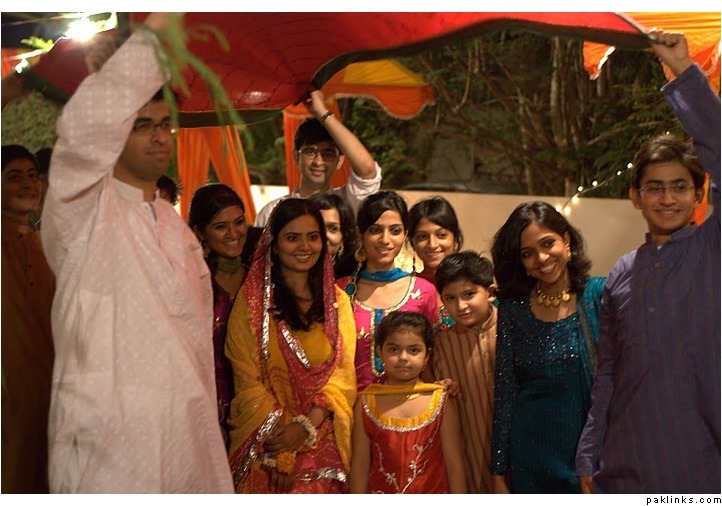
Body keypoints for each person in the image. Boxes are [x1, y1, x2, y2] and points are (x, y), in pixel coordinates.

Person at [39, 13, 233, 492]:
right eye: (142, 125)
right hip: (110, 440)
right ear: (114, 135)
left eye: (165, 124)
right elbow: (83, 138)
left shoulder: (176, 228)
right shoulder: (83, 209)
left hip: (185, 435)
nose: (160, 137)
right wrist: (147, 43)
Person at [575, 30, 720, 494]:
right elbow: (609, 371)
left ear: (699, 195)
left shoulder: (711, 248)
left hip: (702, 460)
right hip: (624, 461)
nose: (667, 198)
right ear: (635, 197)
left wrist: (683, 71)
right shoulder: (621, 273)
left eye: (679, 187)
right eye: (654, 188)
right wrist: (589, 451)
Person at [225, 198, 357, 493]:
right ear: (273, 245)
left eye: (313, 237)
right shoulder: (251, 305)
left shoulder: (338, 303)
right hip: (266, 443)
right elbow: (247, 382)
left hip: (325, 442)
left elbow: (343, 378)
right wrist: (281, 445)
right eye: (292, 238)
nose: (304, 246)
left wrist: (305, 427)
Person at [489, 201, 604, 493]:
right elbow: (506, 390)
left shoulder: (596, 295)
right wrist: (498, 469)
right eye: (527, 253)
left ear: (566, 241)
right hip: (529, 459)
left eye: (548, 243)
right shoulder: (513, 309)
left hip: (587, 455)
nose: (541, 258)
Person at [350, 311, 466, 494]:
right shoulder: (366, 402)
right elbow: (359, 467)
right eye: (393, 349)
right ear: (380, 352)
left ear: (427, 356)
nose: (403, 357)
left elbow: (454, 464)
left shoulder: (441, 400)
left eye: (413, 350)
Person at [337, 191, 440, 391]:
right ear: (360, 234)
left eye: (395, 231)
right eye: (376, 230)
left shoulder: (423, 291)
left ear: (405, 234)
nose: (385, 240)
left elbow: (434, 358)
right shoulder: (340, 291)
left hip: (409, 404)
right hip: (351, 404)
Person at [1, 144, 56, 493]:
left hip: (48, 396)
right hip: (10, 399)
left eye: (33, 176)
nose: (27, 184)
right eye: (14, 177)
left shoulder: (45, 246)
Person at [253, 89, 381, 227]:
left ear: (340, 161)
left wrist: (321, 112)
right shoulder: (271, 212)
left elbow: (367, 171)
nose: (318, 162)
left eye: (328, 154)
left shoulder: (348, 203)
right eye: (310, 152)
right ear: (296, 156)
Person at [189, 183, 249, 449]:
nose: (233, 233)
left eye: (239, 222)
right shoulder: (192, 282)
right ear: (199, 232)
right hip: (205, 408)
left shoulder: (260, 278)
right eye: (220, 226)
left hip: (256, 407)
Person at [432, 251, 498, 494]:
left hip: (521, 454)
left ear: (490, 292)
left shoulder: (513, 329)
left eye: (469, 294)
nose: (460, 306)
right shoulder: (440, 345)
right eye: (450, 298)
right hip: (470, 457)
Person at [408, 195, 464, 331]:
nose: (432, 245)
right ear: (412, 243)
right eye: (422, 236)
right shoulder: (405, 289)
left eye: (441, 235)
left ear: (455, 239)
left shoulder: (473, 284)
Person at [309, 191, 360, 278]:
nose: (324, 235)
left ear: (344, 236)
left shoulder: (353, 278)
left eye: (333, 229)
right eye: (317, 227)